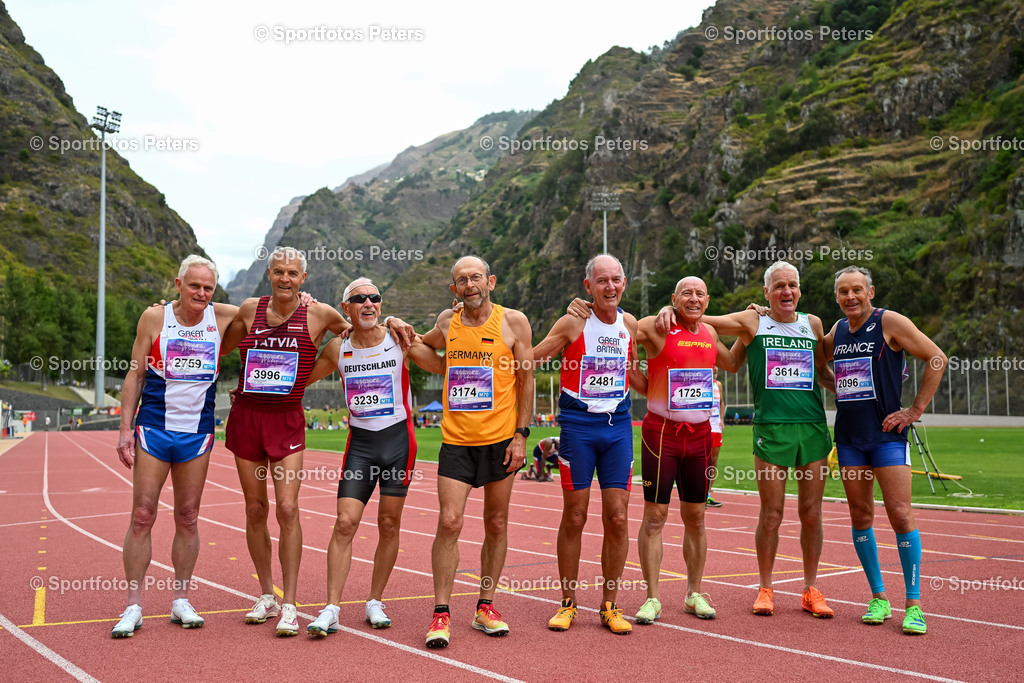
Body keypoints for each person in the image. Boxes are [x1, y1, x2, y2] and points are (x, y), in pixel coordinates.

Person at [223, 247, 413, 637]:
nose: (285, 278)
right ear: (270, 274)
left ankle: (323, 602)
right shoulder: (252, 310)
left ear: (303, 278)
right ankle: (275, 596)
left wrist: (394, 319)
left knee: (295, 510)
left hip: (365, 436)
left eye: (293, 273)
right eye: (279, 272)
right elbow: (222, 344)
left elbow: (367, 328)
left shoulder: (336, 319)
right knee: (262, 509)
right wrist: (247, 388)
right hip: (255, 419)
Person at [659, 260, 836, 618]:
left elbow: (823, 373)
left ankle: (811, 588)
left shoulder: (813, 324)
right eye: (779, 286)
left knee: (812, 514)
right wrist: (670, 308)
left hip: (813, 426)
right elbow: (699, 318)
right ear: (767, 293)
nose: (787, 292)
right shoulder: (753, 321)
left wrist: (862, 396)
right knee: (771, 514)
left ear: (799, 290)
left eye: (793, 285)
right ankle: (766, 587)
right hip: (772, 428)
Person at [303, 278, 443, 636]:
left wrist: (446, 323)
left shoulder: (400, 341)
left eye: (375, 298)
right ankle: (332, 607)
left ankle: (374, 600)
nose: (368, 303)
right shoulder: (338, 347)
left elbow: (442, 366)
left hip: (399, 443)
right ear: (346, 307)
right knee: (345, 522)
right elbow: (301, 379)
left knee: (388, 524)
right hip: (361, 445)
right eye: (359, 298)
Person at [111, 255, 238, 637]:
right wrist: (123, 429)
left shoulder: (221, 317)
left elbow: (263, 309)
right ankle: (133, 605)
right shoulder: (154, 318)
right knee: (142, 514)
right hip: (154, 427)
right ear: (178, 284)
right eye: (194, 285)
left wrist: (303, 300)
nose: (201, 293)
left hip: (197, 433)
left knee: (188, 516)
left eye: (208, 287)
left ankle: (181, 599)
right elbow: (134, 377)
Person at [418, 255, 534, 648]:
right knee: (450, 523)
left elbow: (526, 380)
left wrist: (521, 435)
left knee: (496, 523)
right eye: (462, 280)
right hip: (457, 442)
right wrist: (395, 328)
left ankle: (486, 605)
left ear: (491, 282)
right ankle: (440, 613)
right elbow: (423, 349)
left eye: (476, 277)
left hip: (501, 441)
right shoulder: (446, 322)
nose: (470, 284)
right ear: (454, 289)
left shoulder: (514, 322)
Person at [826, 266, 946, 635]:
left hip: (888, 438)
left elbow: (937, 358)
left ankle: (913, 604)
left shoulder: (889, 322)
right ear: (837, 297)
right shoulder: (837, 331)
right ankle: (878, 597)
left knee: (899, 514)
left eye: (857, 290)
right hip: (849, 438)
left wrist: (914, 410)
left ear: (871, 292)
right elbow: (816, 363)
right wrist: (839, 389)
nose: (851, 297)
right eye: (844, 291)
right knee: (860, 515)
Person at [533, 254, 644, 636]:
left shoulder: (629, 324)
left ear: (624, 283)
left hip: (618, 429)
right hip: (578, 428)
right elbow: (530, 359)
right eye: (601, 281)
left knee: (617, 517)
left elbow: (636, 372)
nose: (609, 287)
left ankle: (610, 605)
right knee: (576, 517)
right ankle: (568, 602)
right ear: (588, 287)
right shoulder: (573, 321)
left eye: (615, 280)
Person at [631, 277, 738, 625]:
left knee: (696, 517)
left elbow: (733, 364)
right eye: (686, 294)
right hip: (661, 434)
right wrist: (642, 382)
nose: (693, 298)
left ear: (707, 301)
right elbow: (617, 335)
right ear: (675, 298)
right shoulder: (656, 326)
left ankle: (694, 593)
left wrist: (756, 323)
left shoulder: (709, 332)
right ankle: (652, 597)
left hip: (701, 436)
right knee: (655, 517)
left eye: (700, 294)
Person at [706, 368, 725, 508]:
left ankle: (707, 495)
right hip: (704, 426)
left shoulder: (718, 385)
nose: (715, 370)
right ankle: (698, 494)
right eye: (713, 369)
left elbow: (722, 402)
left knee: (713, 461)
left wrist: (722, 419)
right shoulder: (701, 383)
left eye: (716, 370)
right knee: (702, 461)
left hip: (716, 427)